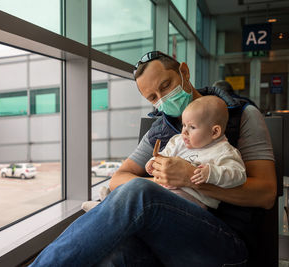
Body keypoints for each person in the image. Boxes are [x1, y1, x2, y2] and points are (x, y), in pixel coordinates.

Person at [30, 51, 276, 267]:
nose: (163, 98)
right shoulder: (159, 130)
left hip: (224, 244)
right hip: (165, 240)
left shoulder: (241, 115)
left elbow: (265, 195)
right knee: (111, 258)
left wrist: (191, 179)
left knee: (140, 191)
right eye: (153, 97)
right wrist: (162, 183)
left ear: (184, 72)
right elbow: (119, 178)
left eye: (166, 85)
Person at [145, 95, 246, 210]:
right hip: (165, 190)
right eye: (183, 125)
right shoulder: (178, 141)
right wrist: (154, 162)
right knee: (139, 190)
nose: (184, 132)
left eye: (192, 127)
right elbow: (164, 156)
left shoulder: (224, 151)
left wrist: (212, 173)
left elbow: (239, 175)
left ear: (215, 132)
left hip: (193, 201)